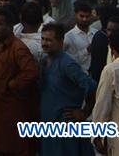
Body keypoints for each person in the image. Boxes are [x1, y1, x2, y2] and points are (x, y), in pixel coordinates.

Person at [0, 8, 39, 156]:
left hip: (10, 114)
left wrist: (11, 85)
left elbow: (31, 72)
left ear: (10, 26)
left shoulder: (18, 48)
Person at [38, 22, 97, 156]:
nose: (44, 43)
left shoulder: (67, 64)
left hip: (65, 128)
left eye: (49, 40)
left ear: (60, 41)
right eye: (43, 39)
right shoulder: (43, 62)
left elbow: (93, 88)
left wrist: (84, 112)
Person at [63, 1, 95, 72]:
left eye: (87, 16)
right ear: (75, 15)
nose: (84, 19)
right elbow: (67, 60)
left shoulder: (96, 33)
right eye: (81, 16)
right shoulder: (68, 37)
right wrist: (86, 51)